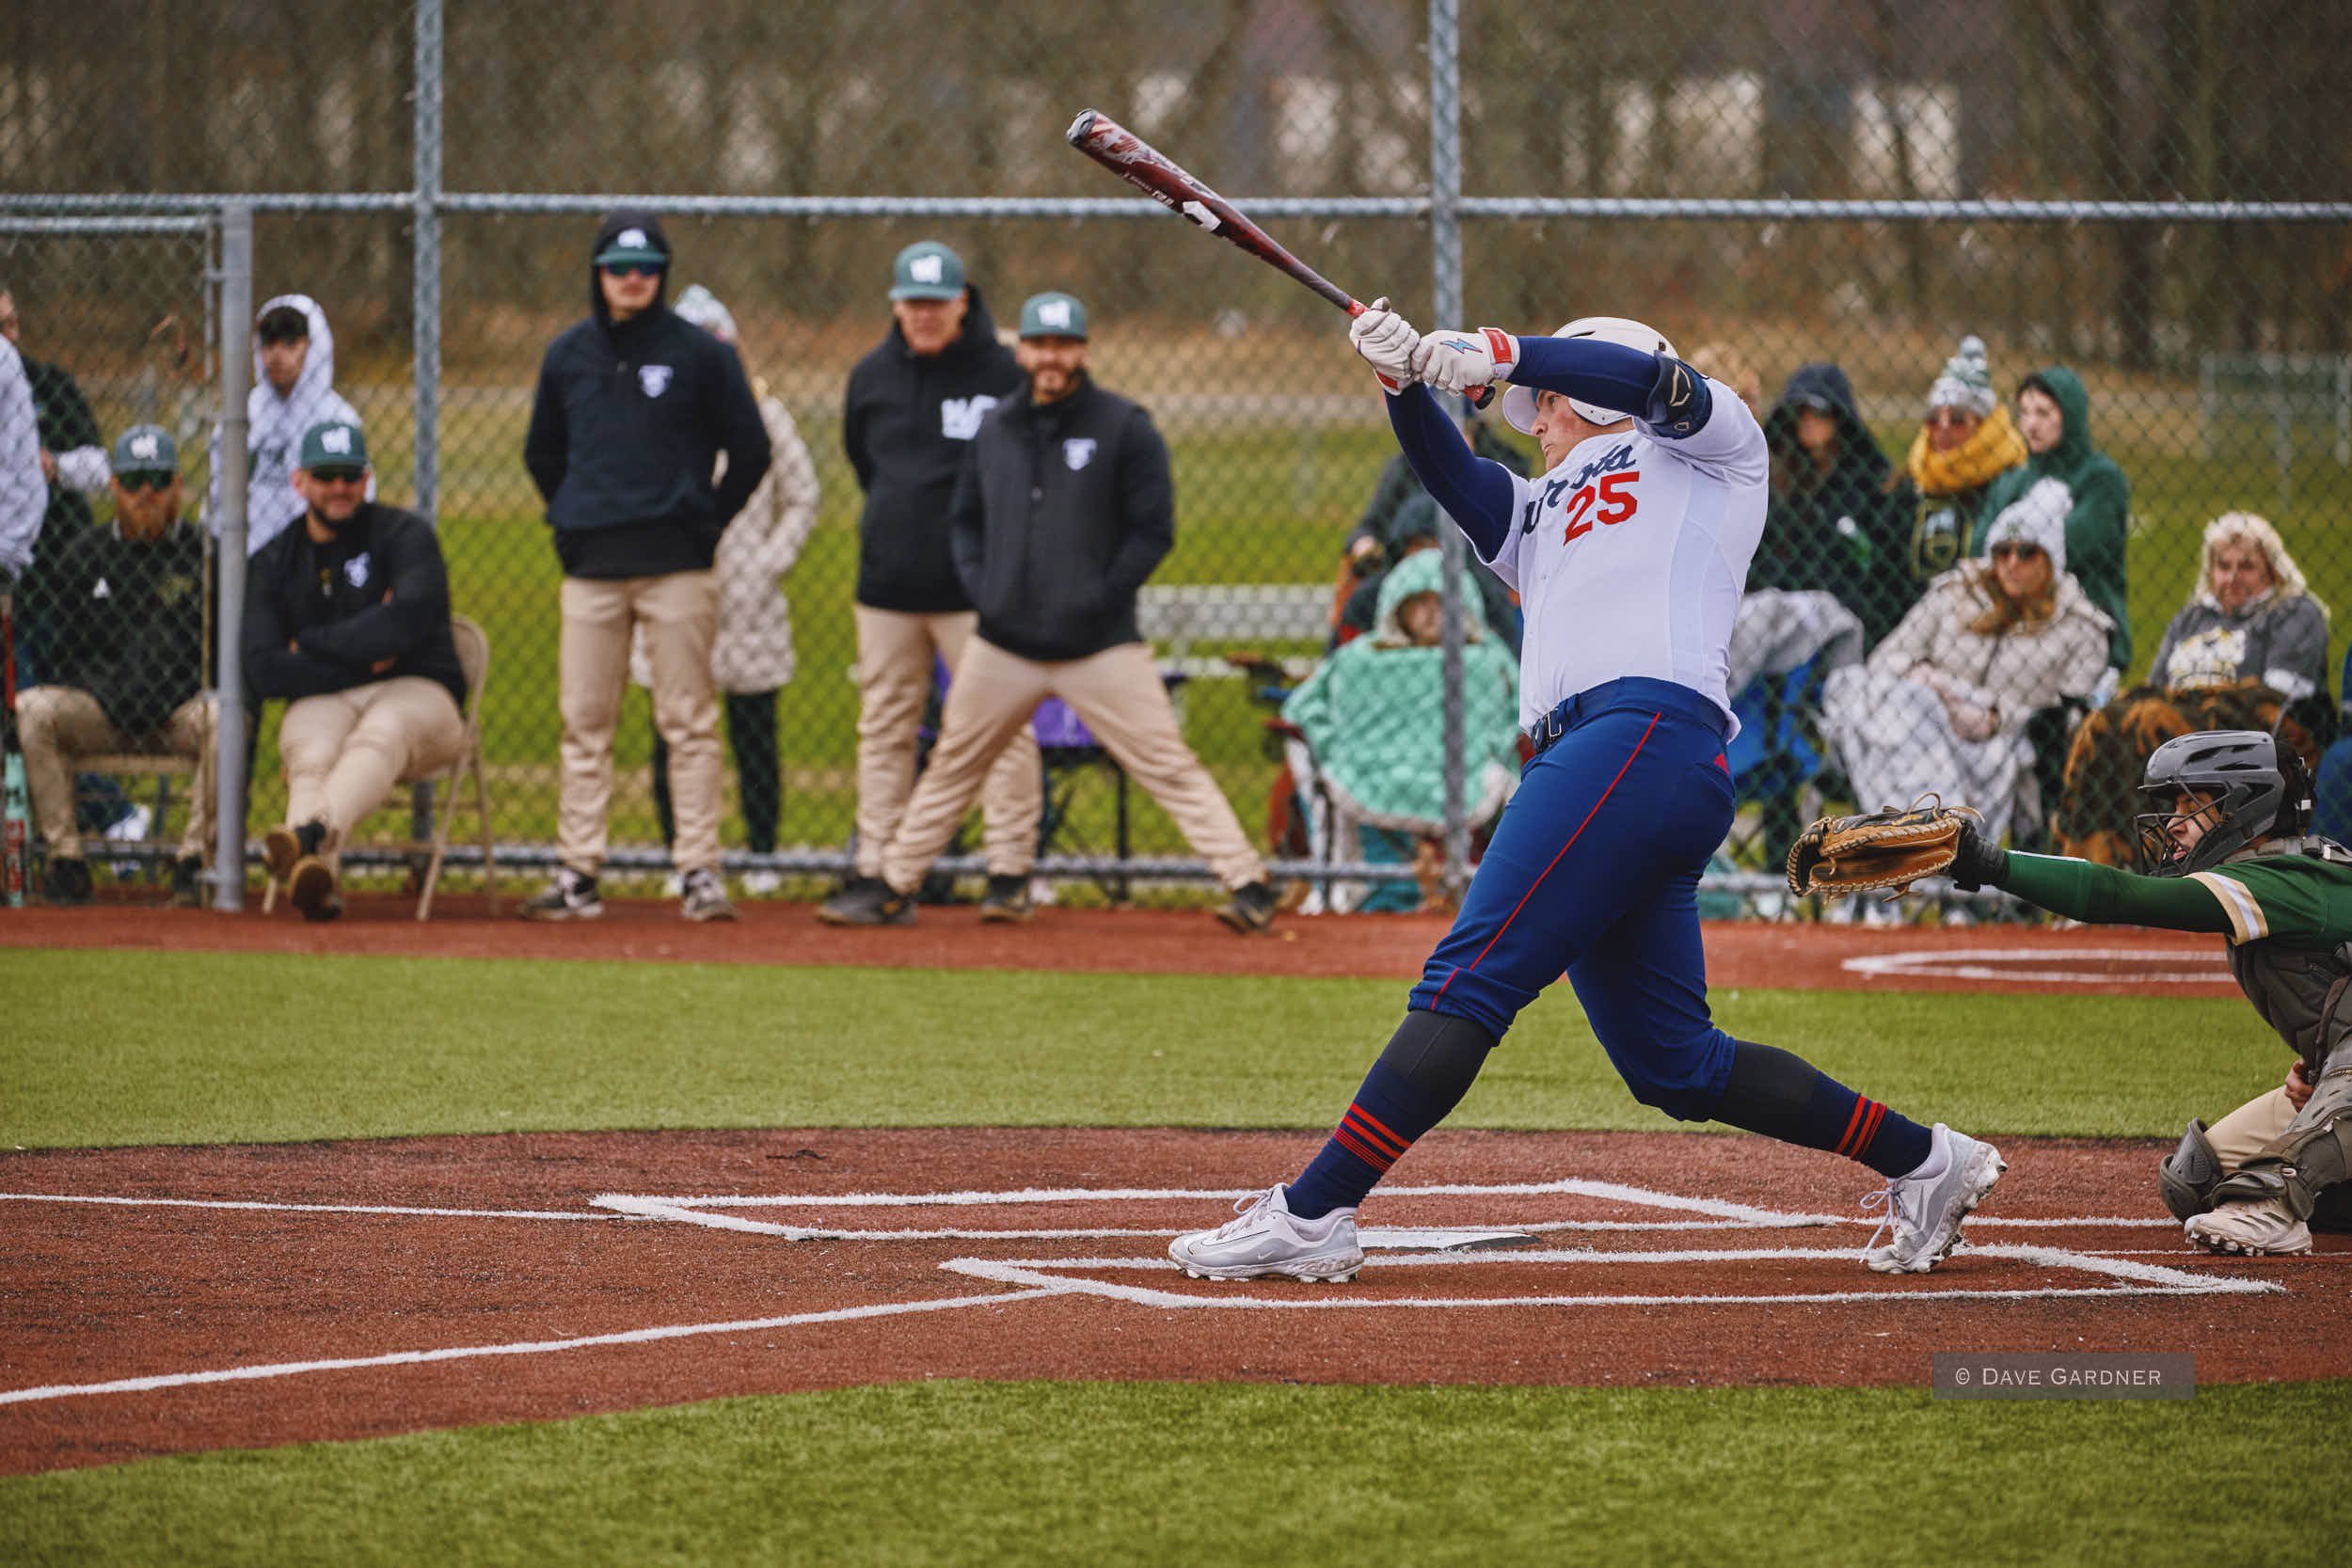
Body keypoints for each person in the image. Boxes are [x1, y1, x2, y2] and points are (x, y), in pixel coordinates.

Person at [1166, 306, 2005, 1282]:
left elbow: (1649, 383)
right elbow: (1456, 477)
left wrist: (1503, 353)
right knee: (1675, 1064)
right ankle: (1927, 1161)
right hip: (1618, 763)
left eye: (1554, 399)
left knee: (1468, 977)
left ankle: (1315, 1210)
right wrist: (1401, 386)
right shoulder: (1541, 503)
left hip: (1638, 735)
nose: (1538, 418)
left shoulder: (1712, 450)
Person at [819, 292, 1279, 932]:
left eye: (1064, 345)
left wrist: (1102, 595)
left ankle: (1248, 883)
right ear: (1023, 353)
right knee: (954, 764)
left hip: (1099, 644)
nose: (1051, 358)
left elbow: (1152, 530)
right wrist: (986, 589)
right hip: (1005, 643)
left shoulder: (1123, 426)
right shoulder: (996, 428)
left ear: (1083, 350)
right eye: (1039, 345)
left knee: (1166, 763)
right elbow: (965, 521)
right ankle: (894, 884)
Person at [1943, 730, 2352, 1256]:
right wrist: (2325, 1067)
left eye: (2192, 804)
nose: (2175, 823)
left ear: (2247, 808)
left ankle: (2274, 1207)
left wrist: (1992, 864)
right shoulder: (2273, 873)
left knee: (2265, 1178)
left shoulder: (2286, 881)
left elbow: (2120, 896)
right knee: (2196, 1179)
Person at [520, 212, 772, 924]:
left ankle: (698, 871)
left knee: (687, 722)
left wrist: (704, 523)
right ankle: (578, 870)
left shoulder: (701, 354)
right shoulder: (567, 354)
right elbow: (542, 453)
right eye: (618, 268)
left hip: (677, 569)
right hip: (592, 569)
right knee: (585, 725)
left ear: (662, 274)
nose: (633, 279)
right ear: (597, 274)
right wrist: (576, 519)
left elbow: (750, 449)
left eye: (647, 267)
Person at [838, 240, 1041, 916]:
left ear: (963, 303)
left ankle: (1009, 872)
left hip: (976, 591)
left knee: (1001, 727)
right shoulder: (871, 376)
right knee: (885, 729)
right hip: (888, 588)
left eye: (937, 303)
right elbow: (865, 464)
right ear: (896, 306)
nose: (924, 315)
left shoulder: (1004, 374)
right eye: (912, 303)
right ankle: (880, 871)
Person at [628, 285, 819, 895]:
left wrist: (768, 563)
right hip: (672, 589)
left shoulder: (766, 415)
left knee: (753, 736)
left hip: (748, 603)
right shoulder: (651, 414)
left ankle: (763, 855)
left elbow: (803, 496)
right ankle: (682, 856)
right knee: (675, 732)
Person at [243, 420, 467, 924]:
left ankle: (307, 837)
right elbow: (264, 669)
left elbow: (410, 617)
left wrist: (311, 644)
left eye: (350, 475)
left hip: (421, 692)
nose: (340, 487)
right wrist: (366, 653)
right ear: (300, 481)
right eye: (326, 475)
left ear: (367, 480)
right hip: (329, 699)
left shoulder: (406, 535)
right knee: (312, 755)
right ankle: (315, 878)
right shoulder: (273, 561)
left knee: (381, 731)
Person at [1820, 477, 2112, 847]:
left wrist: (1994, 715)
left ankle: (1916, 842)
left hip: (1999, 741)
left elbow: (2071, 720)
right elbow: (1885, 659)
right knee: (1888, 695)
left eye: (2027, 553)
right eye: (2003, 551)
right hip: (1921, 723)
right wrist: (1935, 686)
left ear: (2052, 560)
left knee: (1893, 715)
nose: (2012, 563)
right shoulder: (1955, 595)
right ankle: (1932, 837)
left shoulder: (2080, 628)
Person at [2055, 513, 2328, 865]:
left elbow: (2279, 694)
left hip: (2245, 730)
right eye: (2223, 565)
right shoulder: (2192, 617)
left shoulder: (2292, 611)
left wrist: (2188, 701)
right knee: (2103, 722)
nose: (2232, 577)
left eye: (2247, 566)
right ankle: (2090, 859)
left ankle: (2150, 863)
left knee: (2148, 719)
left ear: (2272, 570)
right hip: (2171, 721)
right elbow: (2155, 685)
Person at [16, 425, 215, 908]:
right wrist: (111, 691)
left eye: (158, 481)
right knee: (33, 709)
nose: (146, 493)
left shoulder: (203, 554)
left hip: (177, 714)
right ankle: (65, 861)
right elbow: (58, 655)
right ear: (113, 487)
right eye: (133, 482)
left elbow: (220, 655)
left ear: (178, 486)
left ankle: (194, 864)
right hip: (101, 710)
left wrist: (167, 693)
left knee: (226, 719)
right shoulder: (85, 554)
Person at [1283, 544, 1521, 911]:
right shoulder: (1360, 659)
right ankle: (1357, 886)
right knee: (1315, 764)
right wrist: (1331, 744)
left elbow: (1515, 709)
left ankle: (1488, 885)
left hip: (1467, 770)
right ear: (1398, 607)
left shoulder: (1486, 659)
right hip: (1367, 768)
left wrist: (1496, 743)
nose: (1432, 613)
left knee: (1501, 779)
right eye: (1419, 602)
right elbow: (1303, 706)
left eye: (1442, 602)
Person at [1970, 366, 2130, 669]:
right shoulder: (2012, 481)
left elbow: (2065, 548)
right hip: (2009, 630)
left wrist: (2008, 545)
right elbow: (1979, 548)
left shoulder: (2100, 479)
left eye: (2043, 413)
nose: (2031, 425)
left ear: (2070, 416)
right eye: (2024, 413)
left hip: (2085, 628)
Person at [1750, 362, 1917, 647]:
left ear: (1839, 416)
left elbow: (1889, 573)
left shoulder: (1873, 485)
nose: (1808, 419)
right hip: (1782, 619)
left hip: (1853, 621)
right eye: (1799, 410)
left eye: (1819, 411)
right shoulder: (1777, 482)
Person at [1339, 405, 1527, 653]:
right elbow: (1372, 524)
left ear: (1473, 432)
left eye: (1459, 432)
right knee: (1362, 596)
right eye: (1435, 432)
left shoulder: (1499, 466)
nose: (1448, 441)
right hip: (1406, 555)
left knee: (1498, 603)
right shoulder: (1405, 469)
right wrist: (1367, 544)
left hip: (1475, 563)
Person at [210, 295, 365, 559]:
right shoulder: (241, 417)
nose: (276, 355)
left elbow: (357, 498)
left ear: (313, 347)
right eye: (269, 343)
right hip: (247, 558)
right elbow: (218, 496)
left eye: (290, 344)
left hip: (320, 558)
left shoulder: (338, 419)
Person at [1895, 335, 2026, 591]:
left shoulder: (2009, 482)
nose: (1943, 428)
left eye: (1956, 418)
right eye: (1933, 418)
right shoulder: (1914, 479)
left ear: (1981, 424)